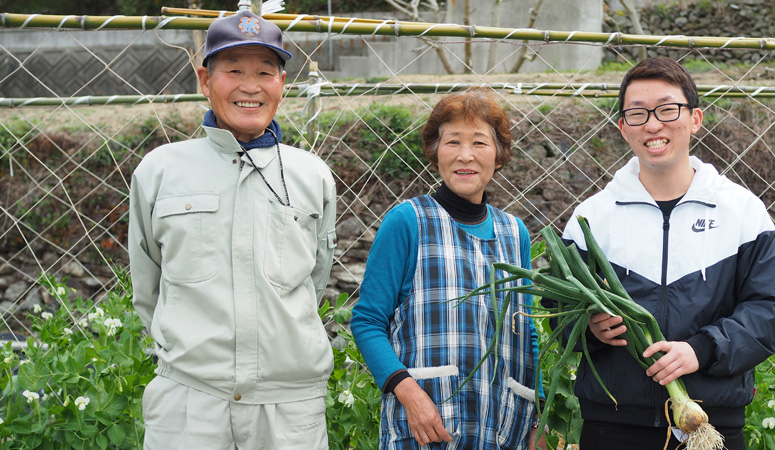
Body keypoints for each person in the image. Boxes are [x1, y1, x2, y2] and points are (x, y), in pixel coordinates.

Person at [559, 57, 775, 449]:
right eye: (637, 114)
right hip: (612, 425)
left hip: (708, 426)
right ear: (623, 128)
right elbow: (559, 310)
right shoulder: (592, 218)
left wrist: (701, 350)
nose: (653, 125)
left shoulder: (741, 211)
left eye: (667, 110)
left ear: (695, 118)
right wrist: (590, 328)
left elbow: (769, 305)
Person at [128, 9, 336, 450]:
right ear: (205, 81)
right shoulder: (159, 171)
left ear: (281, 83)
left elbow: (315, 278)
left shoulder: (311, 175)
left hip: (289, 408)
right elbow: (147, 285)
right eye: (233, 70)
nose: (250, 85)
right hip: (189, 403)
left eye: (265, 71)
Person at [351, 89, 544, 450]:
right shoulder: (409, 222)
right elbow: (367, 321)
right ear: (435, 152)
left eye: (479, 143)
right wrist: (409, 394)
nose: (465, 155)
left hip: (505, 426)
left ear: (499, 155)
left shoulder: (514, 233)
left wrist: (538, 414)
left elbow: (526, 331)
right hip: (427, 425)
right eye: (452, 141)